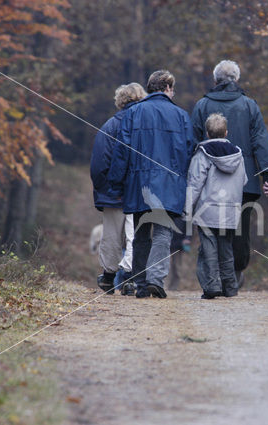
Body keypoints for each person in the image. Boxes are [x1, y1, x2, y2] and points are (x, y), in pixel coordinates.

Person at [191, 60, 268, 288]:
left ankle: (215, 275)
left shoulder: (201, 105)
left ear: (215, 80)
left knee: (209, 229)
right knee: (239, 229)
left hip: (208, 180)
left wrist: (186, 177)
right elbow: (260, 140)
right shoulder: (249, 106)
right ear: (236, 80)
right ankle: (235, 273)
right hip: (243, 181)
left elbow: (191, 143)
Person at [110, 70, 194, 299]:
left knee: (141, 233)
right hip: (169, 183)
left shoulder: (133, 113)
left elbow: (122, 151)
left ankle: (141, 282)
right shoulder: (181, 116)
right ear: (168, 87)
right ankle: (155, 279)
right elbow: (189, 151)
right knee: (163, 233)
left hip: (139, 181)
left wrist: (116, 183)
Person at [90, 82, 146, 295]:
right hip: (139, 191)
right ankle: (130, 276)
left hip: (113, 191)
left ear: (120, 101)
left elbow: (98, 164)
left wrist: (105, 188)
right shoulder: (144, 126)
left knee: (111, 235)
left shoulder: (109, 126)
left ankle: (108, 277)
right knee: (134, 234)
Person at [186, 113, 247, 299]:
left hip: (207, 210)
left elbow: (195, 183)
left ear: (207, 133)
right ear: (226, 132)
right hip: (230, 210)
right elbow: (243, 181)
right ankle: (230, 287)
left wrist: (187, 209)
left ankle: (212, 286)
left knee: (208, 250)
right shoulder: (238, 154)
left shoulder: (202, 153)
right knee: (226, 248)